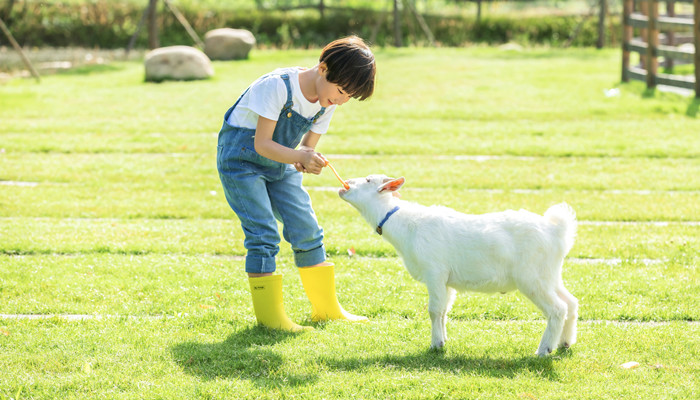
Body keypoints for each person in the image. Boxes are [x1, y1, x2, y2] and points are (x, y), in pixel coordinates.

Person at [216, 36, 376, 331]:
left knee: (307, 229)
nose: (341, 100)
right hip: (241, 164)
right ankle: (270, 319)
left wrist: (309, 160)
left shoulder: (327, 102)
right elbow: (262, 144)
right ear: (323, 69)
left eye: (348, 97)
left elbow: (305, 150)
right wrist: (299, 156)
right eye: (341, 91)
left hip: (281, 163)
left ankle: (326, 309)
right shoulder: (277, 86)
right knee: (263, 234)